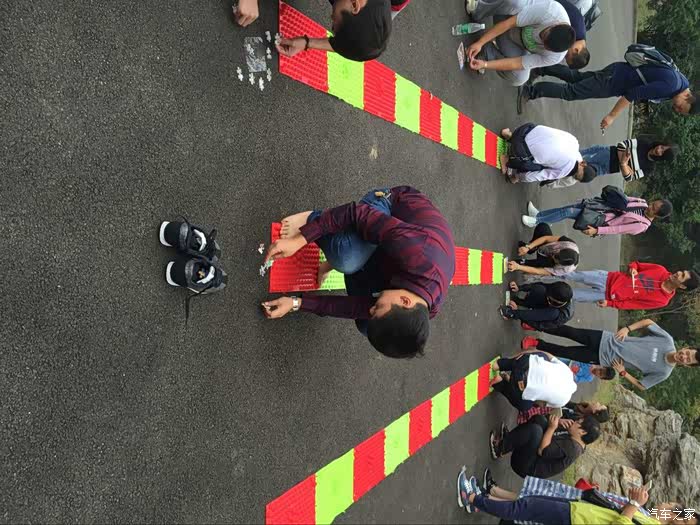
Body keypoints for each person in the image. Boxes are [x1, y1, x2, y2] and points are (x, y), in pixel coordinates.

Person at [261, 186, 455, 358]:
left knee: (367, 325)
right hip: (389, 207)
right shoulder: (418, 252)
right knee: (346, 258)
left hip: (393, 255)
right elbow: (355, 213)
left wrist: (296, 303)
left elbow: (357, 308)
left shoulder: (420, 313)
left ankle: (342, 259)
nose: (370, 308)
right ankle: (311, 217)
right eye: (377, 307)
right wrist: (300, 239)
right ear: (405, 301)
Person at [457, 470, 698, 524]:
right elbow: (665, 510)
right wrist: (681, 512)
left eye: (685, 522)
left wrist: (634, 503)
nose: (679, 516)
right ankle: (482, 499)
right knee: (528, 502)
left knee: (524, 508)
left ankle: (472, 498)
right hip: (583, 508)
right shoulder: (656, 519)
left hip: (580, 519)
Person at [521, 318, 700, 391]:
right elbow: (648, 322)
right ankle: (537, 324)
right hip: (607, 339)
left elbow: (642, 386)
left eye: (688, 359)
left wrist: (623, 373)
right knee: (570, 332)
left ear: (687, 365)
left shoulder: (664, 372)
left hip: (603, 358)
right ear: (686, 348)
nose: (684, 356)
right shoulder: (667, 340)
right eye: (687, 352)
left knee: (565, 352)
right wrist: (628, 328)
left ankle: (537, 343)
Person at [518, 58, 698, 125]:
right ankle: (530, 91)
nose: (676, 109)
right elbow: (633, 94)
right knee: (571, 92)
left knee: (577, 78)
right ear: (688, 97)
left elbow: (646, 86)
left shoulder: (682, 81)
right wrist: (611, 116)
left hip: (617, 72)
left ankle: (541, 67)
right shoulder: (671, 86)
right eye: (681, 108)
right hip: (614, 81)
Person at [464, 0, 575, 87]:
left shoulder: (555, 57)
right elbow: (508, 24)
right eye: (544, 36)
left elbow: (517, 63)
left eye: (546, 46)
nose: (541, 41)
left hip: (515, 43)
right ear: (554, 25)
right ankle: (479, 9)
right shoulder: (551, 12)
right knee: (515, 2)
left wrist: (485, 65)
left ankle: (487, 53)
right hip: (508, 17)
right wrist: (480, 42)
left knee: (520, 78)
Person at [274, 0, 409, 62]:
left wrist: (307, 43)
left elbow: (350, 43)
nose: (331, 18)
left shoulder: (381, 9)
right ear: (354, 5)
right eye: (335, 22)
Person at [488, 413, 600, 478]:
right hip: (533, 457)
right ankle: (508, 441)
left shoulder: (573, 448)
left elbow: (543, 450)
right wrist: (559, 422)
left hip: (526, 467)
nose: (574, 421)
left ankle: (500, 449)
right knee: (540, 420)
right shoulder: (575, 438)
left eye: (578, 422)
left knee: (535, 431)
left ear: (583, 432)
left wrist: (552, 427)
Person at [563, 262, 699, 309]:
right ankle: (549, 272)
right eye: (682, 271)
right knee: (571, 274)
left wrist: (610, 304)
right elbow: (636, 264)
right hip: (607, 278)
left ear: (682, 286)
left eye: (682, 276)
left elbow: (632, 304)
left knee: (570, 295)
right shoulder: (660, 270)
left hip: (605, 296)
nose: (678, 273)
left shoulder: (662, 301)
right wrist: (633, 268)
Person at [521, 198, 672, 237]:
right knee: (566, 209)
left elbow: (618, 229)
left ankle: (537, 221)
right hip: (601, 206)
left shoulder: (641, 225)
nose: (650, 206)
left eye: (653, 208)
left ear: (657, 216)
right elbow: (623, 199)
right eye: (653, 203)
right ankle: (539, 215)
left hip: (601, 219)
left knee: (568, 212)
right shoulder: (642, 203)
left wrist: (597, 231)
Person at [499, 124, 596, 185]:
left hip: (524, 129)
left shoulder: (575, 142)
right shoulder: (565, 171)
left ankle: (510, 136)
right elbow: (539, 175)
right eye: (576, 175)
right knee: (541, 168)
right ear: (583, 164)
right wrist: (517, 177)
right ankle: (507, 160)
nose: (573, 176)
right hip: (520, 152)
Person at [490, 350, 578, 411]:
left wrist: (523, 355)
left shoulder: (568, 372)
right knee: (525, 406)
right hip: (520, 385)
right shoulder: (563, 401)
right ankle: (499, 383)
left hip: (523, 363)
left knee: (543, 357)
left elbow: (547, 354)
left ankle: (499, 364)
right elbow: (540, 403)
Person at [508, 223, 580, 277]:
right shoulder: (569, 244)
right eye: (556, 254)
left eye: (555, 259)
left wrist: (518, 267)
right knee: (543, 227)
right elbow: (546, 238)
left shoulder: (564, 269)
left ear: (560, 263)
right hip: (548, 247)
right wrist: (528, 247)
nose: (553, 256)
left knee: (539, 263)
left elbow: (538, 271)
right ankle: (533, 248)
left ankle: (524, 262)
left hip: (548, 262)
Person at [501, 281, 574, 331]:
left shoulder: (561, 316)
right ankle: (523, 303)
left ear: (558, 302)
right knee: (540, 289)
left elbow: (539, 325)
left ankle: (511, 314)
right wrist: (520, 288)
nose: (547, 298)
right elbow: (540, 285)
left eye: (550, 299)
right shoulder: (557, 288)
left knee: (552, 313)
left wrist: (516, 313)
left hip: (544, 320)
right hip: (548, 307)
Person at [517, 399, 610, 425]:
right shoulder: (582, 407)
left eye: (599, 405)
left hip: (546, 418)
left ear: (595, 412)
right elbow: (565, 402)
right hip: (546, 409)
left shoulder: (578, 420)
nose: (597, 402)